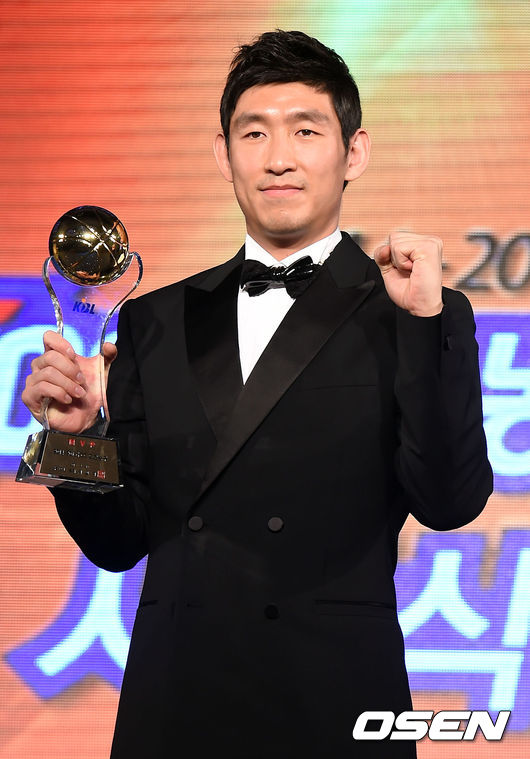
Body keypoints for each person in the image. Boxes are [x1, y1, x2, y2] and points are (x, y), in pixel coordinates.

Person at [22, 30, 492, 759]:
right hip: (178, 705)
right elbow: (119, 542)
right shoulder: (156, 318)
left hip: (332, 701)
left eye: (306, 131)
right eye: (254, 133)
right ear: (224, 155)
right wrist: (77, 438)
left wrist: (424, 324)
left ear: (353, 152)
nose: (278, 158)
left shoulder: (414, 308)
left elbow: (449, 500)